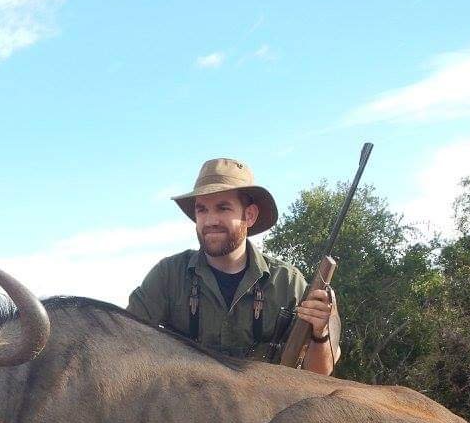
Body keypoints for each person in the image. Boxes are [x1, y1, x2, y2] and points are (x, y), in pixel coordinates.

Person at [127, 158, 340, 375]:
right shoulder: (167, 275)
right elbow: (125, 343)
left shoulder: (289, 283)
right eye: (202, 210)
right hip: (182, 406)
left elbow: (319, 374)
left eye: (223, 208)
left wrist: (320, 333)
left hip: (265, 407)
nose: (210, 220)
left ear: (250, 215)